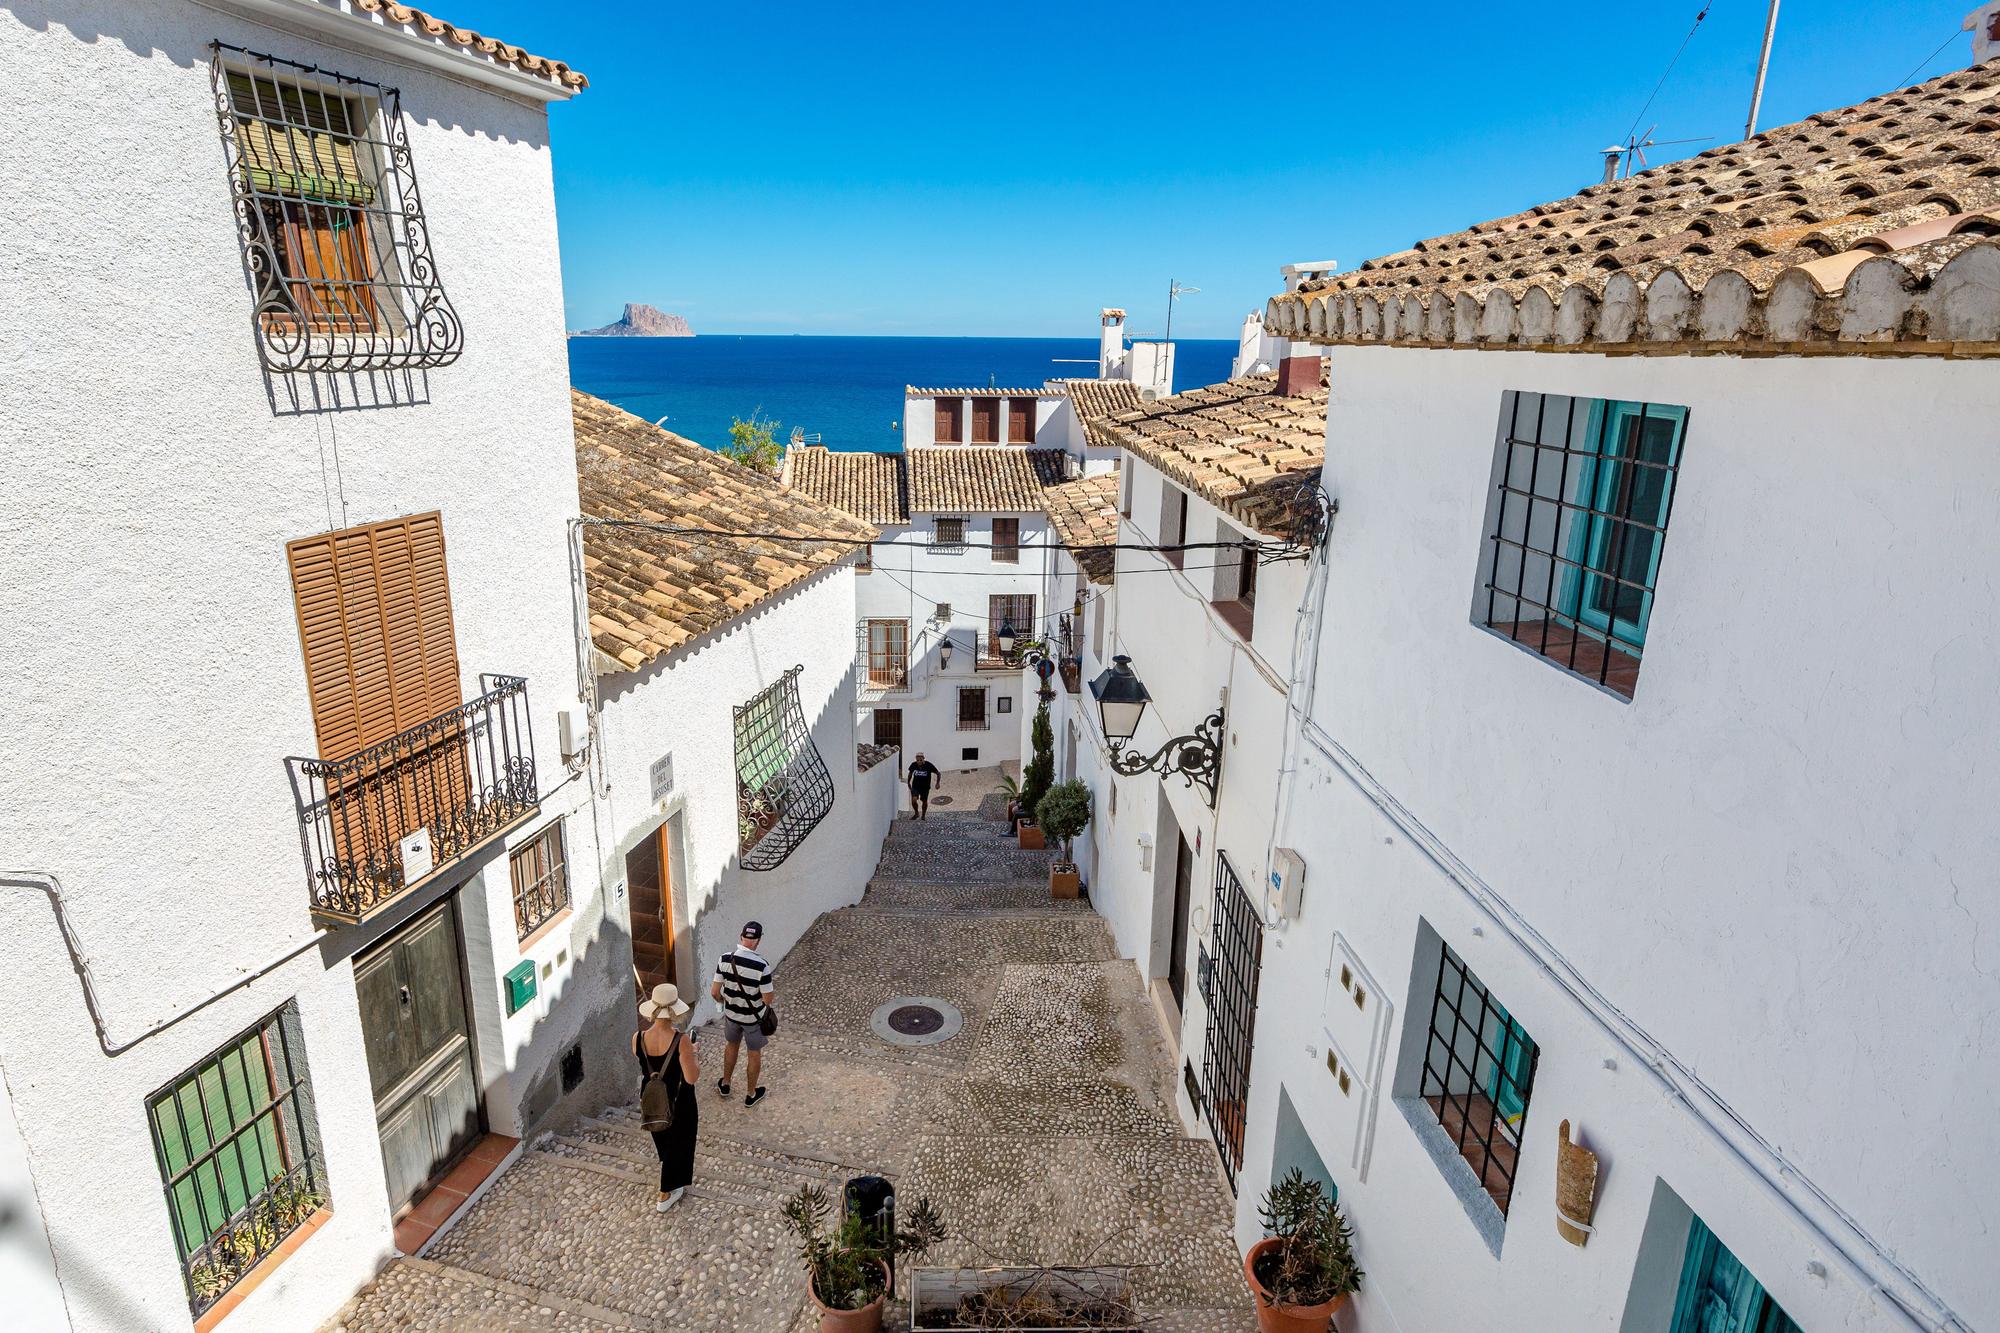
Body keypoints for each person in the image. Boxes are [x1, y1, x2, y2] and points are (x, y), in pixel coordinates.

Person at [635, 982, 699, 1213]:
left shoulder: (637, 1037)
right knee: (680, 1142)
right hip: (678, 1098)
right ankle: (667, 1190)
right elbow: (691, 1077)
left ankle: (669, 1170)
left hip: (651, 1096)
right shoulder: (681, 1041)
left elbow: (645, 1061)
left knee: (662, 1135)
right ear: (674, 1012)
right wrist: (694, 1054)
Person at [712, 920, 776, 1106]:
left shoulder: (724, 959)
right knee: (753, 1053)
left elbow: (715, 992)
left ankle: (725, 1084)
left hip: (731, 1016)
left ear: (741, 937)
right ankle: (750, 1094)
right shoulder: (762, 966)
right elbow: (768, 999)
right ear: (758, 940)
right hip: (753, 1019)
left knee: (731, 1046)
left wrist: (725, 1003)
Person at [906, 752, 943, 820]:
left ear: (923, 759)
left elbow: (938, 773)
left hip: (925, 787)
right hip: (915, 786)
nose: (919, 762)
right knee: (914, 800)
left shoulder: (928, 765)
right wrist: (908, 782)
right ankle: (916, 813)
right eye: (917, 760)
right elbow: (910, 773)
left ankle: (923, 815)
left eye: (920, 760)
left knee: (924, 801)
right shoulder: (913, 765)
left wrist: (937, 783)